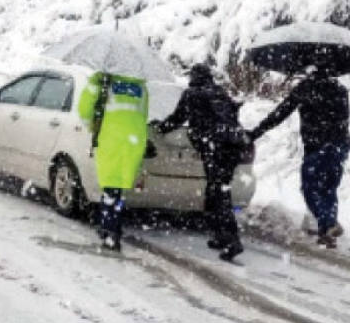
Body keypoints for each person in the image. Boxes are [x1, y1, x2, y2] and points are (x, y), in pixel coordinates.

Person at [248, 63, 349, 248]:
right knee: (328, 188)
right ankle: (327, 231)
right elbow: (344, 118)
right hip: (339, 146)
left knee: (310, 187)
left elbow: (280, 114)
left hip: (317, 146)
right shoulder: (340, 89)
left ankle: (328, 223)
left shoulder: (306, 88)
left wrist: (255, 133)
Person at [153, 64, 246, 262]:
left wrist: (160, 128)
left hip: (216, 146)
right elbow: (231, 115)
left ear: (193, 77)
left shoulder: (193, 94)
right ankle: (220, 236)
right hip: (233, 146)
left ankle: (232, 241)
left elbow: (178, 118)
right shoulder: (219, 92)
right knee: (217, 191)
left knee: (219, 194)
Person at [78, 71, 149, 251]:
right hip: (134, 139)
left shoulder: (101, 80)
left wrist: (91, 125)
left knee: (109, 185)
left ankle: (109, 231)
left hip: (111, 138)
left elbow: (84, 110)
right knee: (120, 187)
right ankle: (114, 227)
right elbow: (144, 114)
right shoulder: (141, 85)